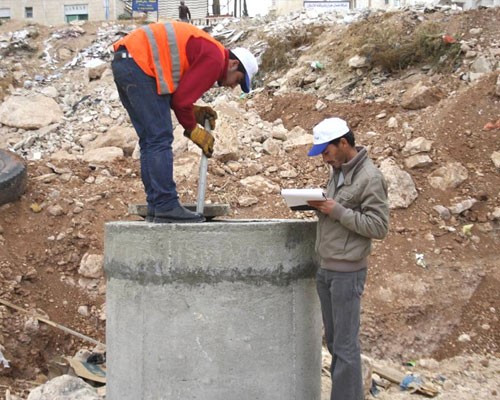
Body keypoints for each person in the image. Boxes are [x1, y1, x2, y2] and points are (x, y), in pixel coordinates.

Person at [111, 21, 258, 223]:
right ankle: (165, 205)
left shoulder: (209, 50)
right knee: (159, 137)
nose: (234, 86)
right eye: (239, 80)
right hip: (139, 63)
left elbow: (178, 97)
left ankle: (157, 205)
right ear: (233, 64)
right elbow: (181, 102)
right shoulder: (215, 60)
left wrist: (194, 111)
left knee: (150, 139)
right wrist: (193, 130)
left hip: (127, 62)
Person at [307, 117, 389, 400]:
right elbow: (338, 214)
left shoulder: (370, 177)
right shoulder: (337, 171)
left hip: (347, 273)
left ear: (344, 143)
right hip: (326, 268)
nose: (324, 159)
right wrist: (319, 206)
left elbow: (379, 227)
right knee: (334, 343)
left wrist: (337, 210)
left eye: (326, 152)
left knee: (345, 346)